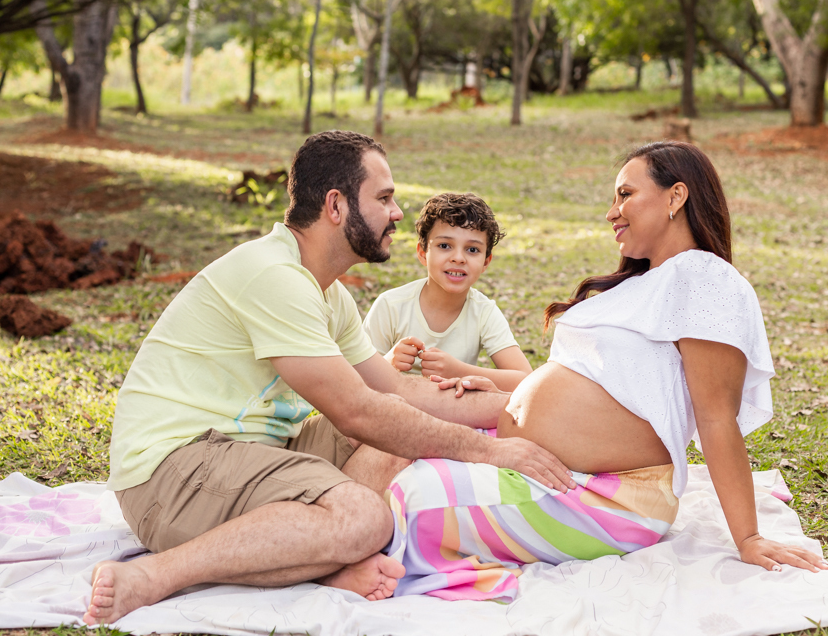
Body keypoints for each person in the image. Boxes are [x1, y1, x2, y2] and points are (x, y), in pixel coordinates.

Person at [83, 131, 575, 625]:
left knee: (403, 434)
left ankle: (322, 554)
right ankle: (154, 577)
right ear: (337, 206)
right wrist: (490, 449)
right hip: (172, 472)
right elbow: (357, 411)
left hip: (251, 453)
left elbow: (398, 390)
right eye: (384, 198)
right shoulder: (273, 275)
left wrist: (529, 404)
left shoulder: (330, 294)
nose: (398, 212)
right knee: (366, 518)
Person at [384, 141, 828, 601]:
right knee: (400, 453)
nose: (611, 211)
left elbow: (717, 418)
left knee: (408, 499)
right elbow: (598, 384)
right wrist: (501, 386)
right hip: (549, 469)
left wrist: (749, 538)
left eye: (625, 195)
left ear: (676, 198)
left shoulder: (702, 278)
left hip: (608, 499)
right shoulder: (646, 282)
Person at [363, 192, 532, 392]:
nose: (458, 258)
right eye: (445, 246)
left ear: (486, 261)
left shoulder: (483, 312)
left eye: (472, 250)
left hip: (453, 411)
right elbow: (354, 380)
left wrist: (458, 370)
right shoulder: (390, 306)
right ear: (422, 253)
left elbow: (526, 380)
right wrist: (387, 363)